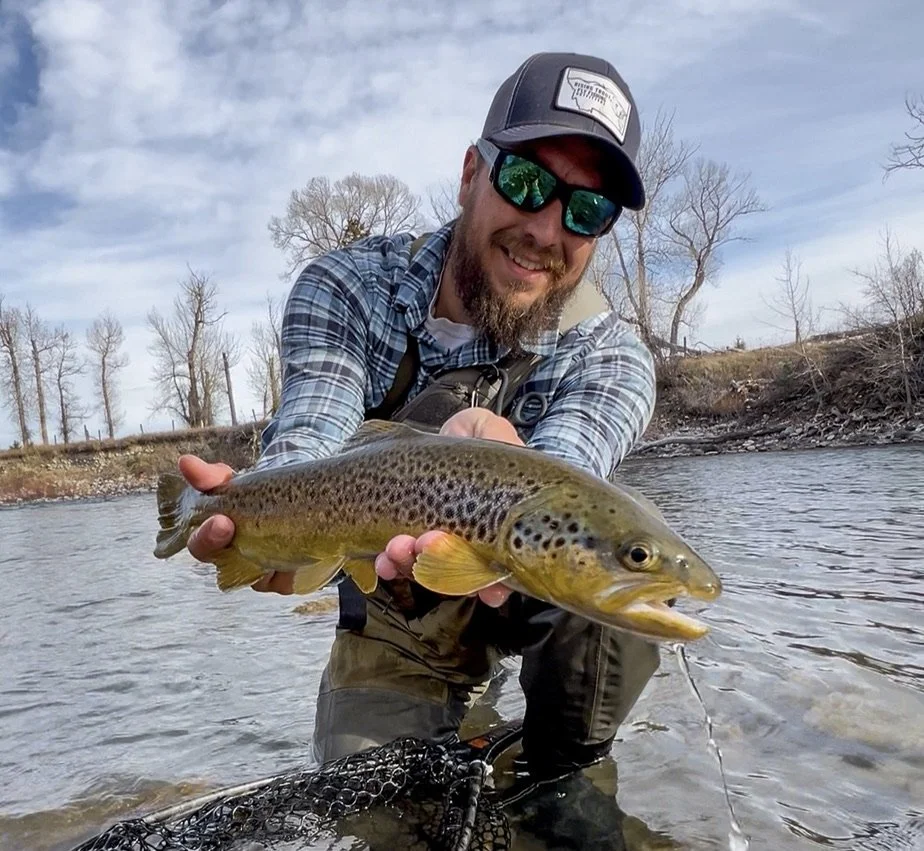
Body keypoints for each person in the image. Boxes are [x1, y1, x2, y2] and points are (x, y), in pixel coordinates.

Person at [179, 51, 660, 782]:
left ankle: (564, 775)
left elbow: (566, 480)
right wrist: (261, 520)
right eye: (526, 182)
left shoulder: (613, 358)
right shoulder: (346, 288)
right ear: (472, 173)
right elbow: (313, 434)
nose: (545, 228)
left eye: (587, 210)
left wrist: (500, 467)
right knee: (370, 798)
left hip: (528, 594)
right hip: (393, 605)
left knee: (618, 563)